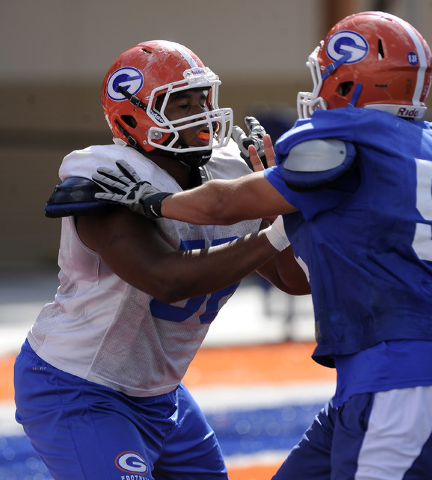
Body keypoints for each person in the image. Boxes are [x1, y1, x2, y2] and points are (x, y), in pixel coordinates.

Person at [93, 12, 432, 479]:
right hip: (376, 375)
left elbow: (221, 205)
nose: (319, 87)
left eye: (326, 74)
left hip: (399, 376)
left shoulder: (340, 141)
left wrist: (155, 201)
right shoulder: (422, 145)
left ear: (353, 82)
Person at [13, 40, 310, 480]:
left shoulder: (228, 170)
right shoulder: (106, 178)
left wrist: (279, 214)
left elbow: (292, 280)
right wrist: (275, 233)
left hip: (159, 392)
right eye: (179, 104)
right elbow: (165, 280)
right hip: (77, 384)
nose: (200, 113)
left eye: (201, 98)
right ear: (133, 116)